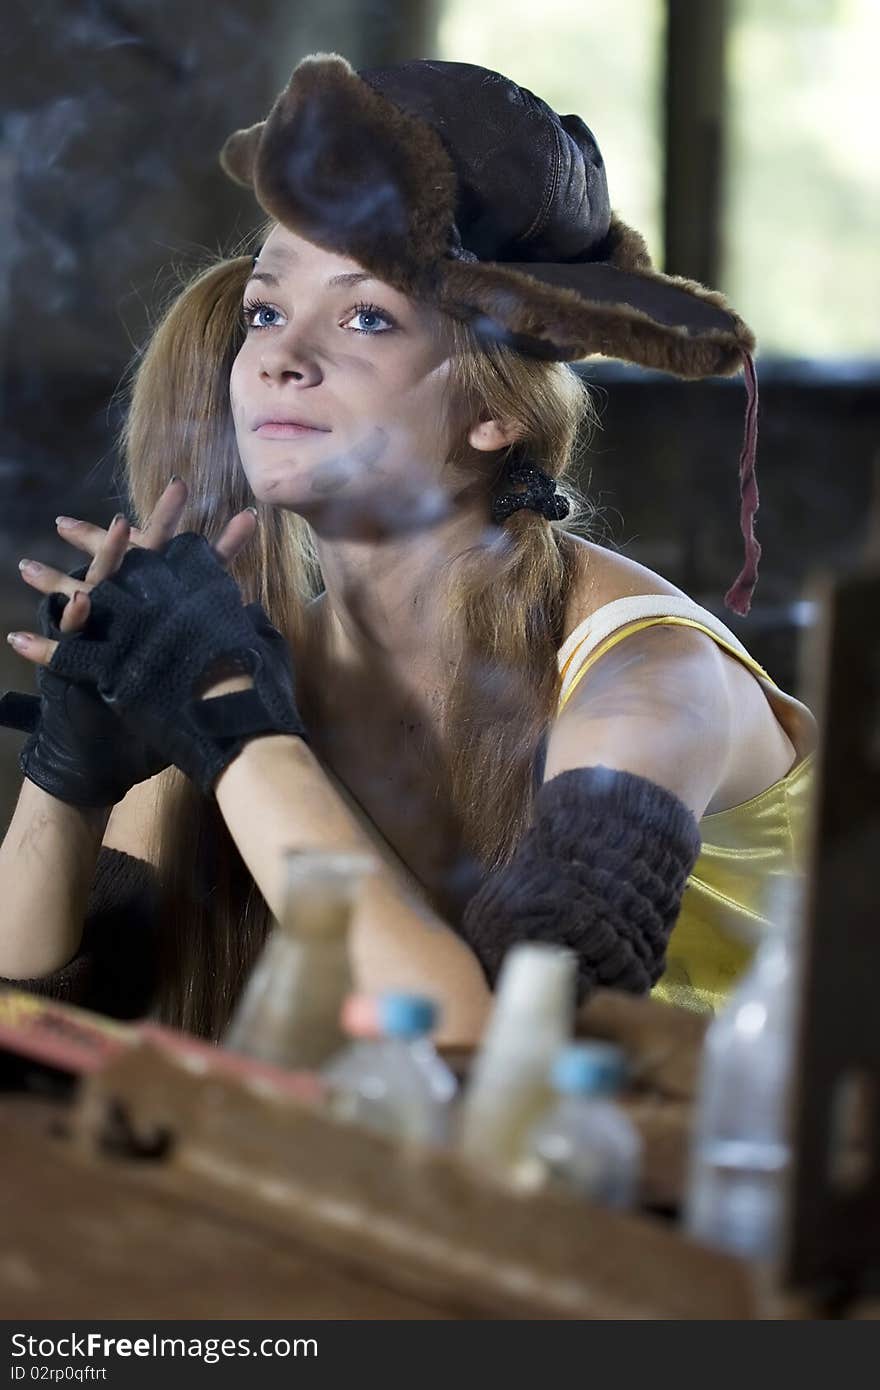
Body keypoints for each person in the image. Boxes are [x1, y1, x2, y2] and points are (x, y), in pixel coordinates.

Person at [0, 54, 816, 1044]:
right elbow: (42, 1012)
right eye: (266, 308)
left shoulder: (652, 686)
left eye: (367, 316)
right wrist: (68, 780)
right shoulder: (262, 653)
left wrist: (229, 725)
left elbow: (498, 1051)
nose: (278, 357)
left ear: (493, 412)